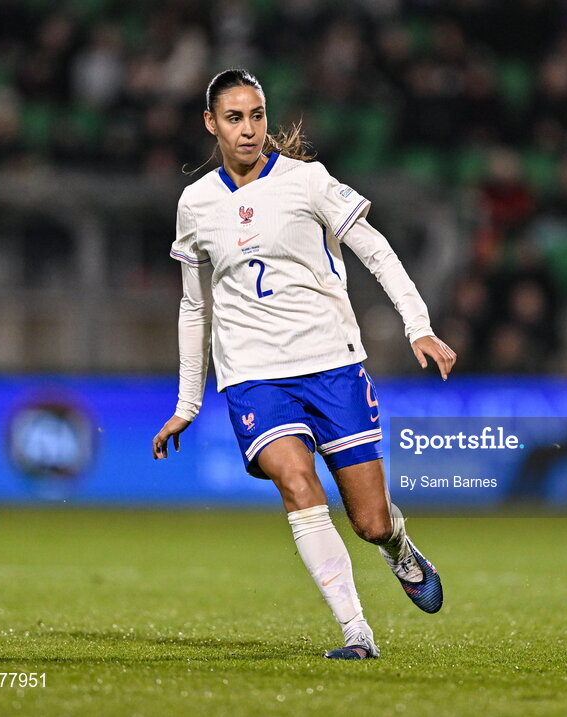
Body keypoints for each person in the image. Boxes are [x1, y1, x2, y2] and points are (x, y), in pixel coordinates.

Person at [151, 69, 456, 660]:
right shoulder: (197, 203)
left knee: (369, 520)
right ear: (211, 124)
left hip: (332, 363)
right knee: (296, 482)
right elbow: (195, 306)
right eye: (234, 117)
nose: (248, 129)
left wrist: (418, 324)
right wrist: (188, 403)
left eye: (257, 115)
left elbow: (376, 249)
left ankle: (398, 548)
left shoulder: (307, 181)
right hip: (253, 377)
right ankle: (356, 633)